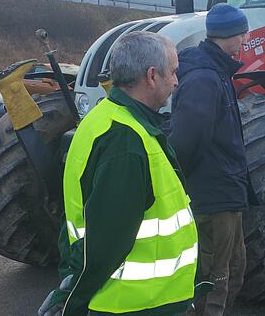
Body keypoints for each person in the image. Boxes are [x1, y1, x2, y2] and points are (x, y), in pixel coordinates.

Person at [38, 31, 197, 316]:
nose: (176, 81)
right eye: (173, 72)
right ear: (151, 76)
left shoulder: (104, 118)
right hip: (138, 304)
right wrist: (72, 302)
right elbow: (105, 244)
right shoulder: (126, 143)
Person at [169, 3, 258, 316]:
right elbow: (185, 140)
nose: (246, 39)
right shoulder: (205, 79)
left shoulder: (215, 72)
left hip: (223, 191)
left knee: (232, 267)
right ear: (230, 37)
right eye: (242, 33)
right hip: (213, 196)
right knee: (216, 277)